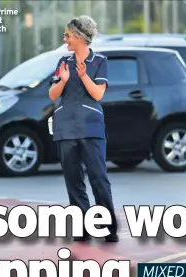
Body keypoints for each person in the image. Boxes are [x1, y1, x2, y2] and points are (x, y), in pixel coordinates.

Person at [48, 15, 118, 242]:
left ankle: (107, 228)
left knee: (98, 177)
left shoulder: (100, 61)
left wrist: (83, 76)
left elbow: (98, 93)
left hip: (91, 129)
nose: (65, 39)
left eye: (67, 35)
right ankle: (82, 227)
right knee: (73, 179)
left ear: (79, 36)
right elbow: (52, 94)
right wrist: (63, 81)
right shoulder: (63, 63)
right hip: (65, 128)